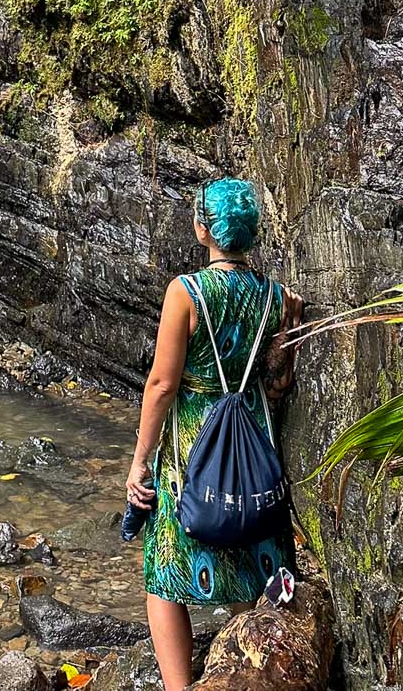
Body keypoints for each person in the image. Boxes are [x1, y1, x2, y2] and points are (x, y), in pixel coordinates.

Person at [124, 177, 303, 691]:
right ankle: (251, 667)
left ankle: (180, 687)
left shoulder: (186, 293)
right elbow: (275, 386)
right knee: (249, 548)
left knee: (165, 574)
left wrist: (140, 461)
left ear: (204, 230)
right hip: (251, 437)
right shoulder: (276, 297)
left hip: (194, 445)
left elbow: (161, 384)